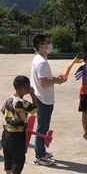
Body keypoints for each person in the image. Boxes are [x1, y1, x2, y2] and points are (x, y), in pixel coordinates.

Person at [30, 33, 67, 166]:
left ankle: (41, 151)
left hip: (42, 96)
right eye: (48, 43)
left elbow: (45, 79)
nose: (50, 45)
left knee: (44, 126)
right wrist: (57, 81)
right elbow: (44, 83)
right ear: (41, 46)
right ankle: (39, 156)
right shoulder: (41, 62)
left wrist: (55, 79)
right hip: (43, 98)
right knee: (42, 127)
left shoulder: (39, 59)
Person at [0, 75, 38, 174]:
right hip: (16, 134)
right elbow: (35, 109)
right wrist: (33, 94)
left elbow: (2, 110)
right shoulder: (22, 102)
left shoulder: (9, 99)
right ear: (26, 88)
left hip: (6, 132)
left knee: (9, 159)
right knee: (19, 160)